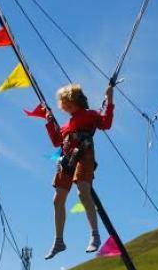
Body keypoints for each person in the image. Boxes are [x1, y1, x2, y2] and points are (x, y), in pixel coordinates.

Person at [44, 83, 114, 259]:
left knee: (83, 190)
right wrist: (49, 121)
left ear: (75, 101)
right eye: (64, 105)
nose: (65, 107)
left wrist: (110, 100)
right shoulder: (66, 125)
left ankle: (95, 234)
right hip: (67, 158)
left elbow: (106, 123)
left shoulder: (90, 115)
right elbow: (56, 141)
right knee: (57, 199)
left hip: (84, 154)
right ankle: (59, 240)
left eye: (67, 103)